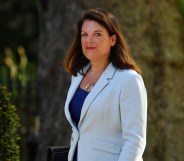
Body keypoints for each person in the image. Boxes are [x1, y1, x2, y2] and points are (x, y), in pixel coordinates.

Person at [63, 8, 147, 161]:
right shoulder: (77, 75)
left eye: (97, 34)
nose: (89, 40)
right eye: (84, 34)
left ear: (113, 40)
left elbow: (135, 142)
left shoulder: (128, 80)